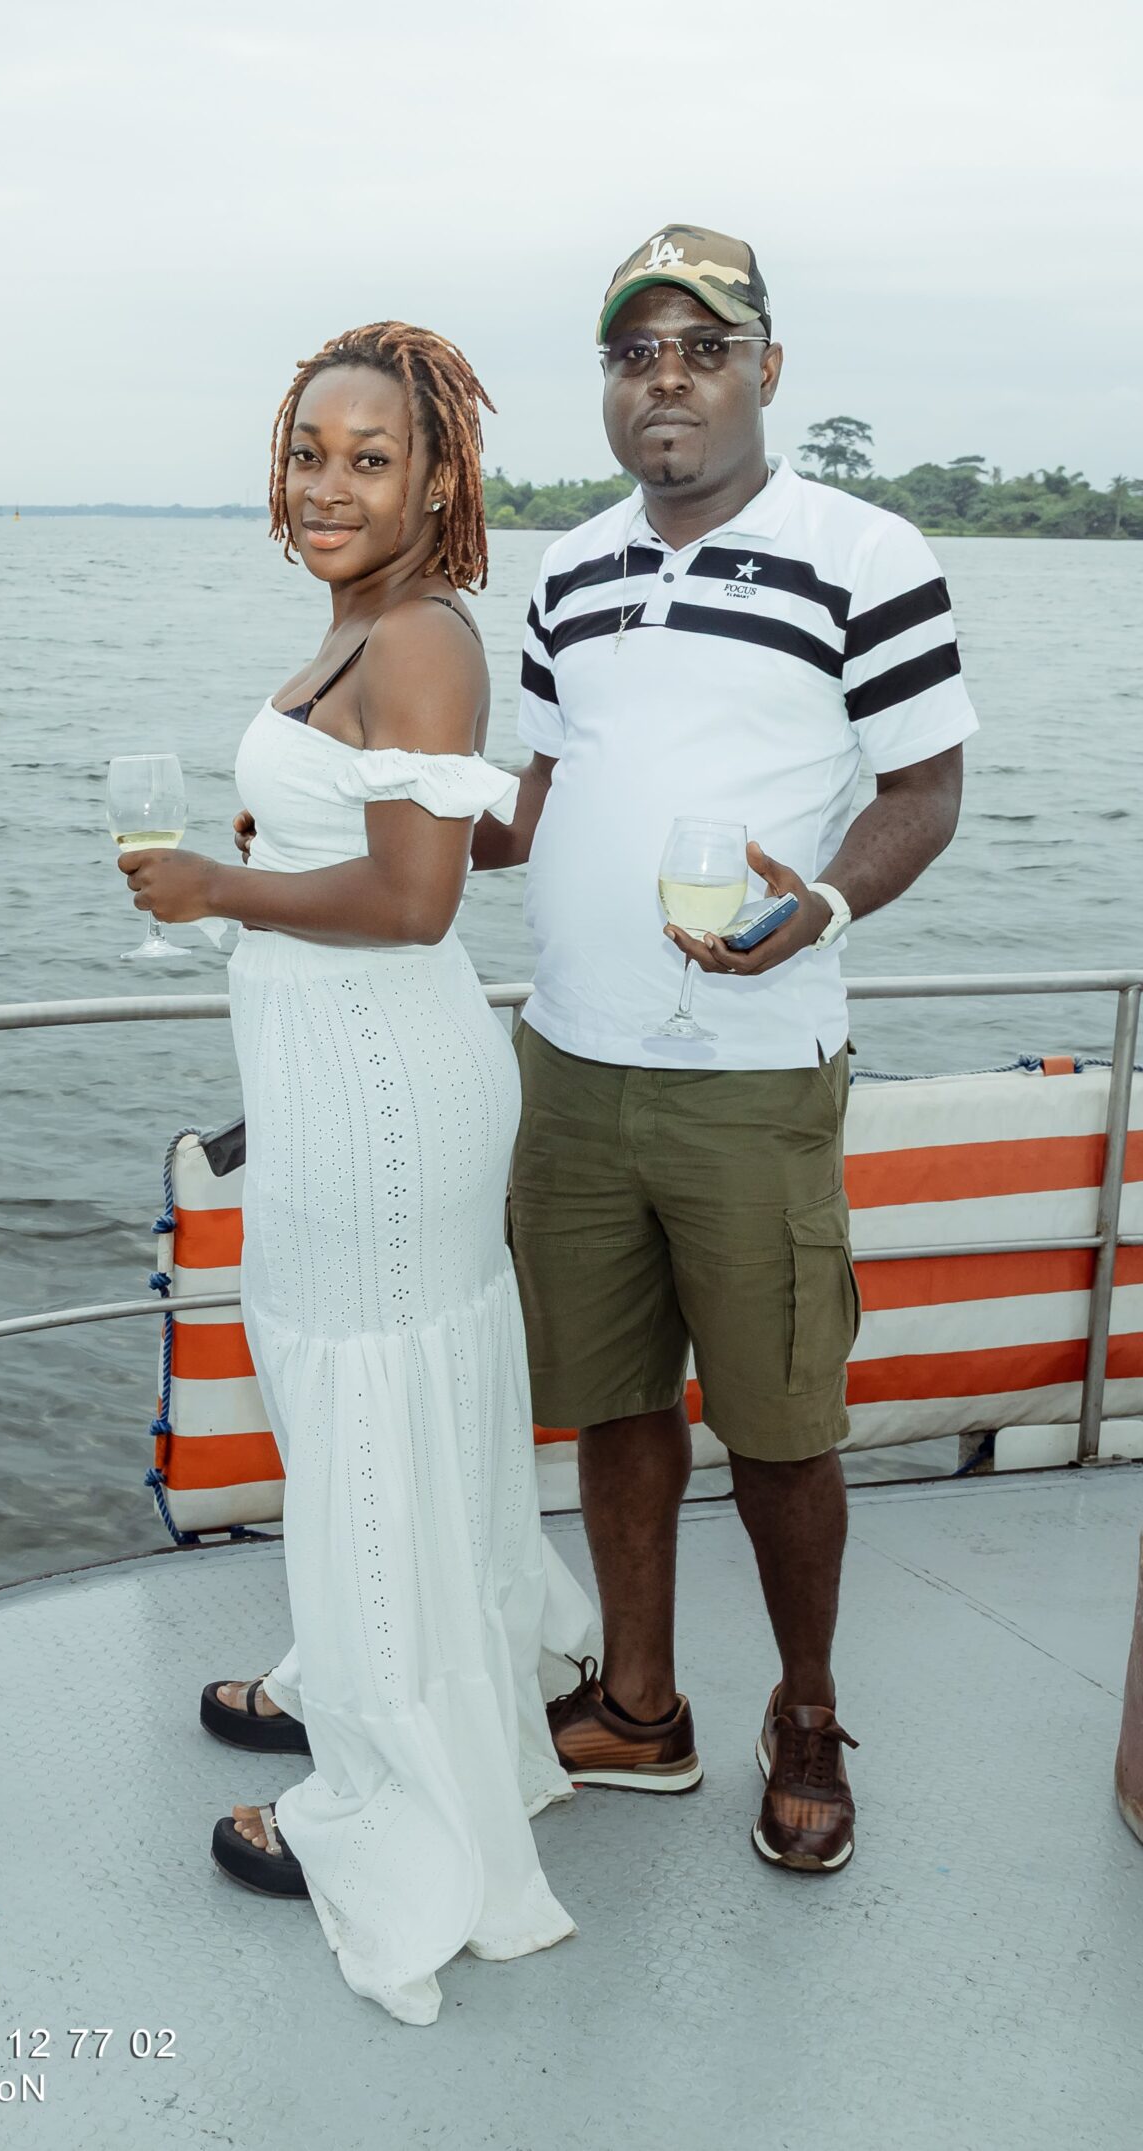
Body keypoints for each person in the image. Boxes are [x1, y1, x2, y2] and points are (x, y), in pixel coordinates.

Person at [471, 226, 974, 1873]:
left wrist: (819, 905)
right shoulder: (567, 570)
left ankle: (806, 1710)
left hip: (755, 1070)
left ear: (767, 371)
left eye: (703, 347)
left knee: (780, 1421)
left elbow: (924, 793)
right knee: (613, 1401)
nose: (666, 380)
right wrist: (380, 813)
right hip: (571, 1060)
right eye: (636, 354)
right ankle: (639, 1705)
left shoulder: (867, 553)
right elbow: (541, 796)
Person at [120, 321, 591, 2026]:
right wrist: (279, 849)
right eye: (309, 452)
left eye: (369, 458)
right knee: (367, 1412)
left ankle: (402, 1804)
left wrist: (217, 887)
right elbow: (425, 834)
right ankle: (363, 1677)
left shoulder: (419, 637)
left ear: (435, 478)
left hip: (382, 1086)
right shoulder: (359, 623)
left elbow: (416, 900)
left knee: (368, 1413)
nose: (329, 485)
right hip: (341, 1072)